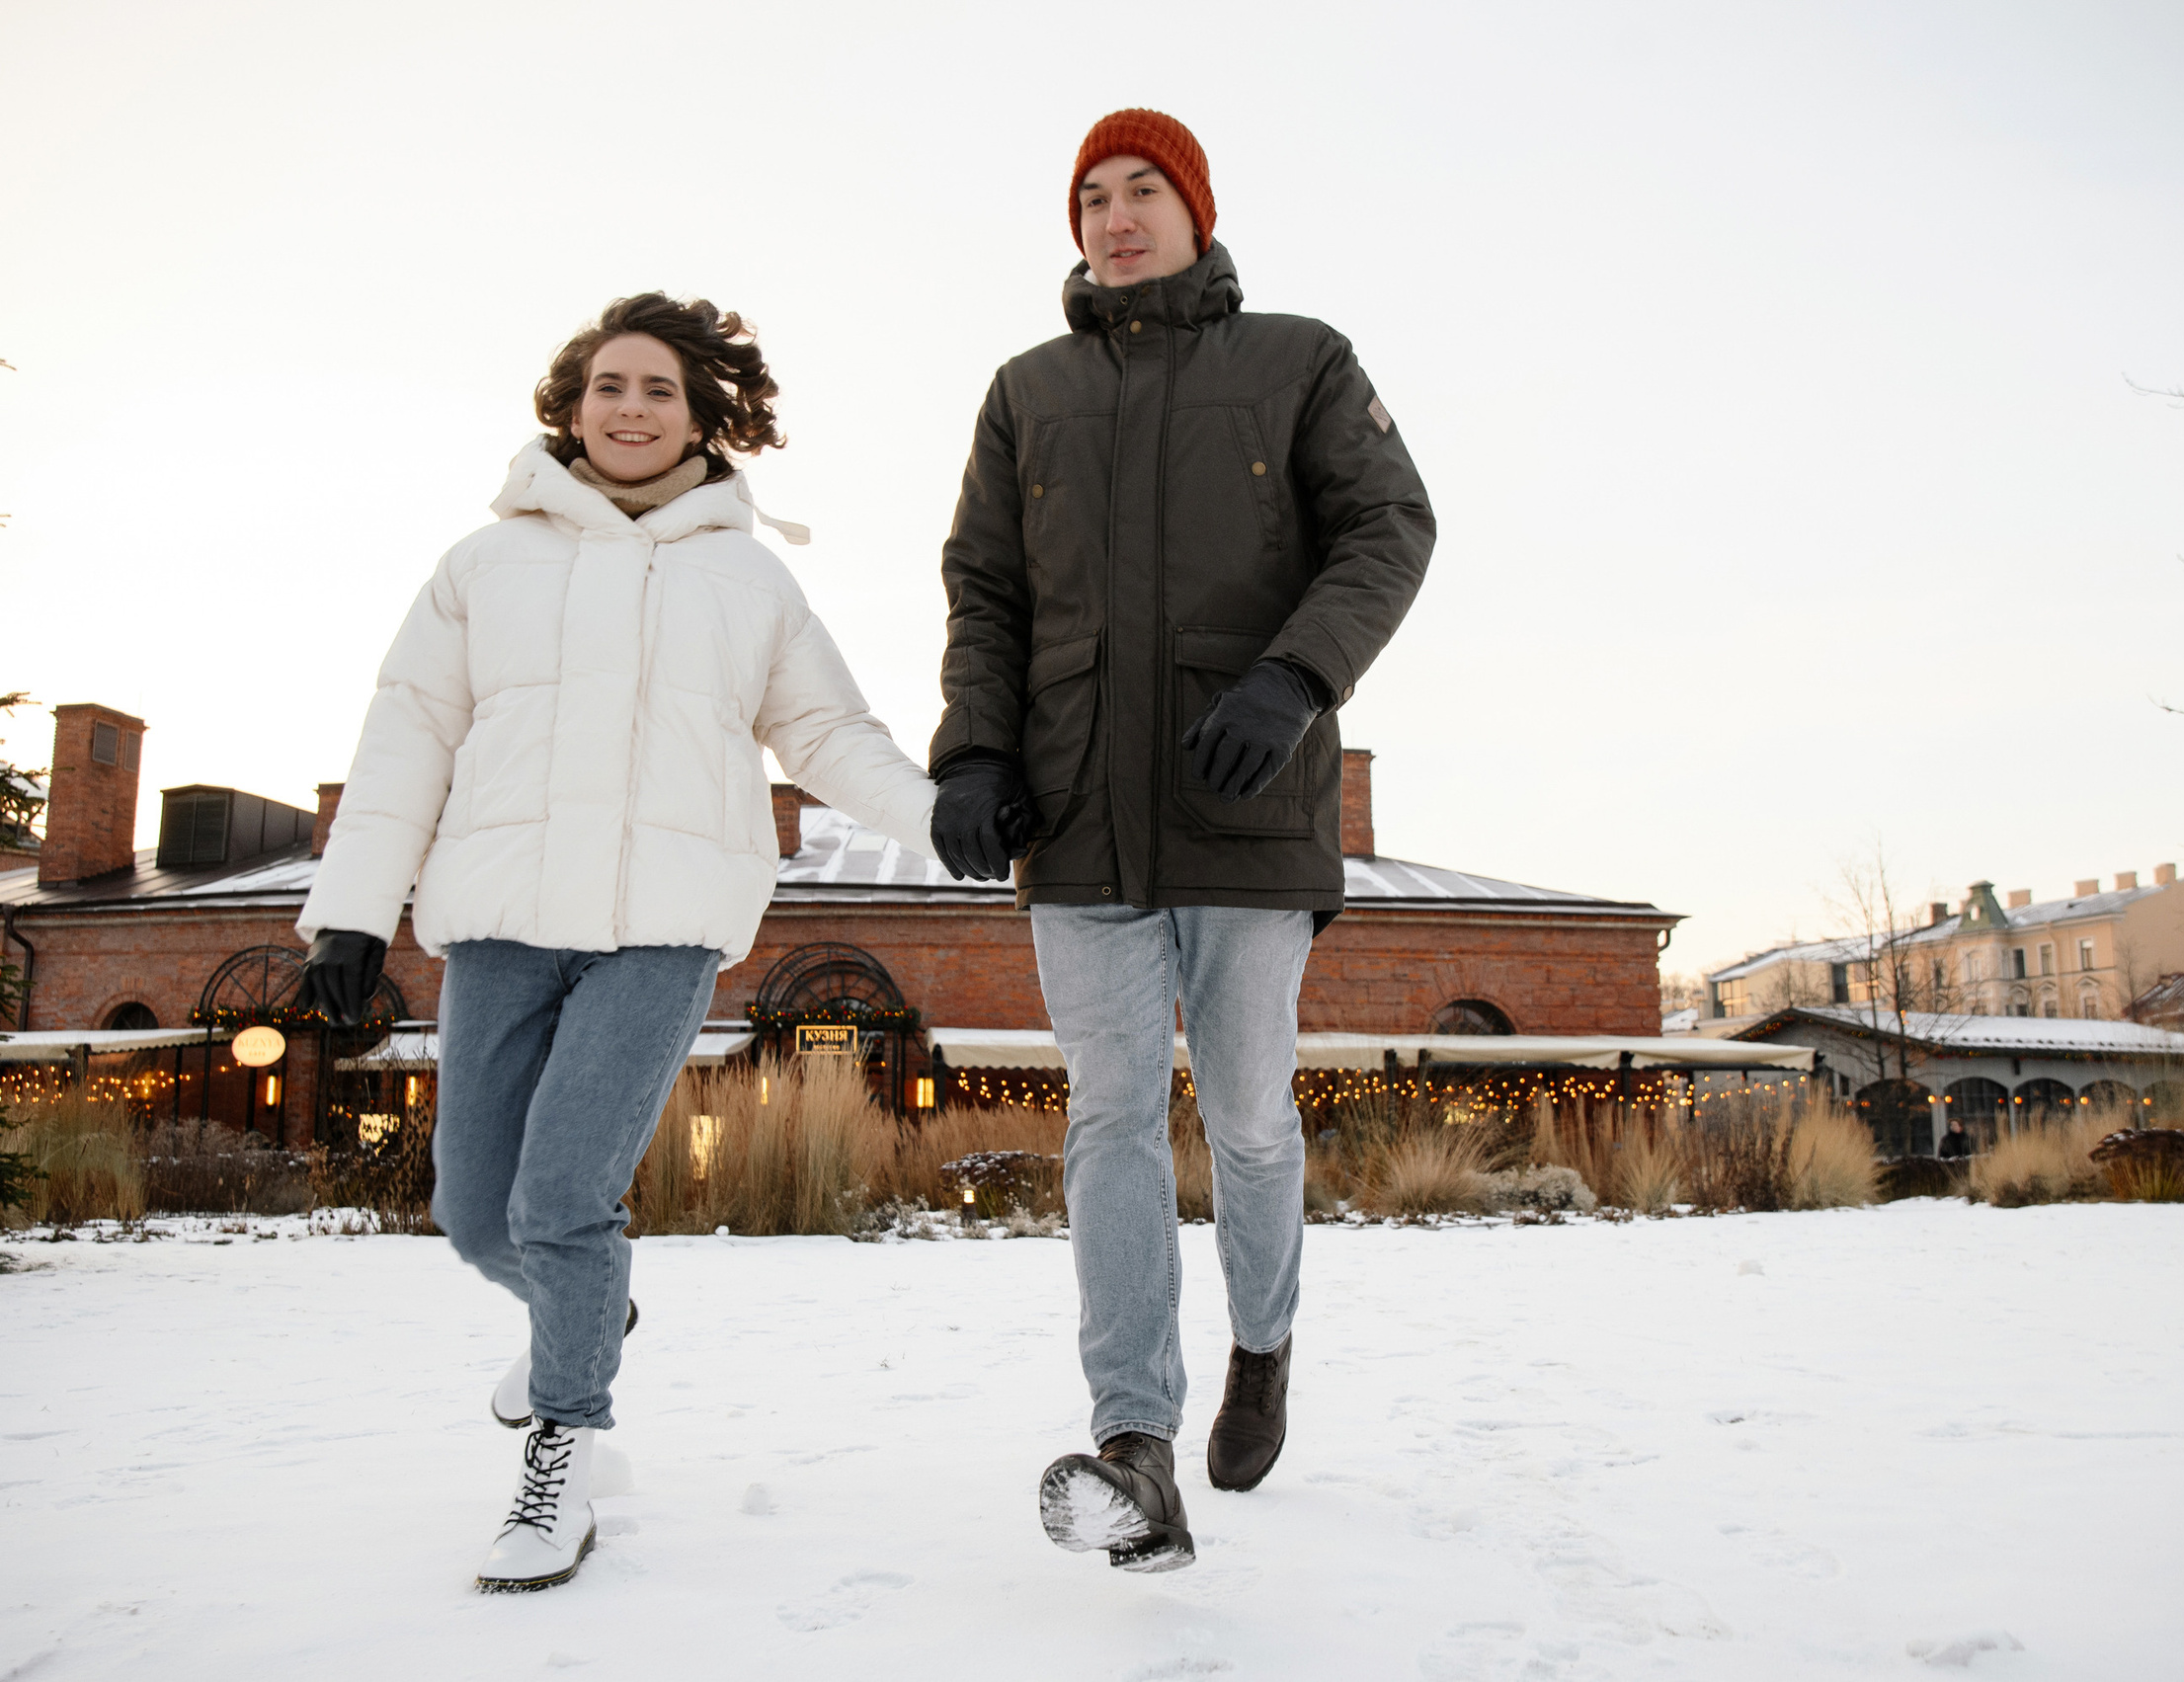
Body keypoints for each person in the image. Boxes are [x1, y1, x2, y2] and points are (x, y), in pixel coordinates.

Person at [294, 294, 936, 1592]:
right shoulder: (485, 562)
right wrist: (353, 913)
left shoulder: (747, 576)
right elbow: (408, 732)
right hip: (501, 927)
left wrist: (950, 818)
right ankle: (590, 1315)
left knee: (562, 1200)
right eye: (608, 386)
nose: (631, 408)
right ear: (569, 406)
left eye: (659, 389)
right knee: (474, 1213)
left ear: (705, 414)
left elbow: (825, 734)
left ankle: (565, 1455)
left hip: (660, 933)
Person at [928, 110, 1435, 1572]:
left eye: (1144, 187)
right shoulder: (1029, 392)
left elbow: (1391, 525)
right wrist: (972, 749)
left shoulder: (1299, 361)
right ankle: (1134, 1442)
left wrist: (1293, 679)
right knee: (1108, 1121)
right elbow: (986, 591)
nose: (1116, 213)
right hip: (1078, 816)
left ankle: (1262, 1344)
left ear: (1198, 209)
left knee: (1252, 1118)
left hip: (1245, 803)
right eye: (1091, 195)